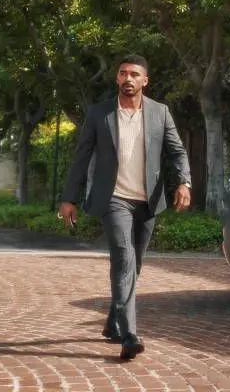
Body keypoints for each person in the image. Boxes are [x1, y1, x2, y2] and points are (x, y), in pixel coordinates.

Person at [57, 54, 192, 360]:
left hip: (147, 200)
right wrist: (69, 198)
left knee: (135, 264)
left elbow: (178, 152)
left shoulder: (160, 112)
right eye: (122, 73)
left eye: (134, 74)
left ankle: (112, 320)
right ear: (117, 78)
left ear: (145, 81)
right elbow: (81, 157)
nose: (128, 78)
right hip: (113, 198)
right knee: (123, 257)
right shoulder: (99, 114)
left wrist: (184, 182)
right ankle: (129, 334)